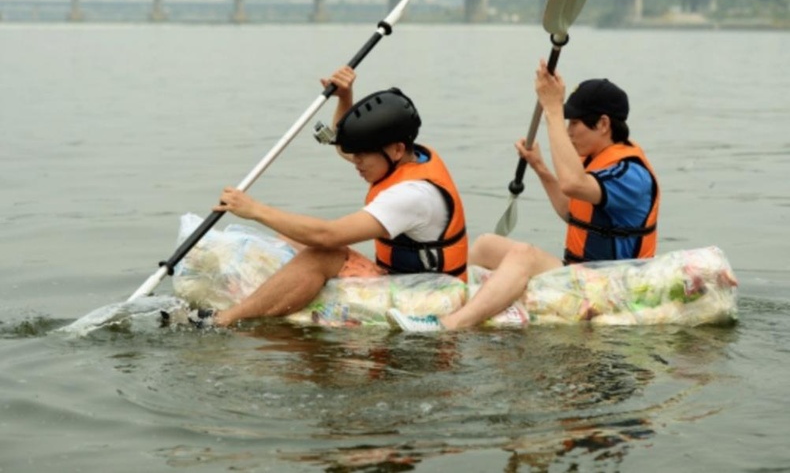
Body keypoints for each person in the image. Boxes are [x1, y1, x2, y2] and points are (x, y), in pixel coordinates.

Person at [387, 59, 660, 332]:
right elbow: (572, 211)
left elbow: (573, 184)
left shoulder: (631, 174)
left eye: (574, 123)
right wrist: (540, 168)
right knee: (485, 245)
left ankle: (450, 325)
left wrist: (552, 108)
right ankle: (429, 299)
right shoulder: (597, 160)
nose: (568, 130)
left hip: (614, 285)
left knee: (524, 254)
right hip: (582, 274)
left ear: (602, 124)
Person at [193, 65, 468, 327]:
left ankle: (226, 319)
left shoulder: (412, 195)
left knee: (321, 253)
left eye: (363, 155)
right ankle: (262, 293)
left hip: (428, 293)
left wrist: (255, 210)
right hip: (403, 278)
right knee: (292, 238)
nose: (354, 160)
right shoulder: (410, 156)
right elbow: (345, 147)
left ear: (396, 150)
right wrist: (344, 98)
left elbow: (329, 235)